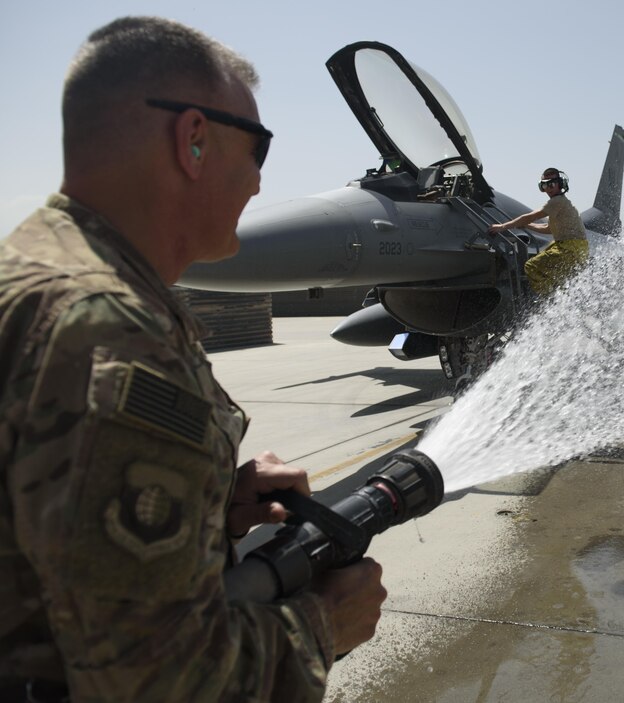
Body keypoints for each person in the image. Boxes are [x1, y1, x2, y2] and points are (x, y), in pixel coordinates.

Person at [0, 17, 386, 702]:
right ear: (195, 140)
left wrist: (212, 505)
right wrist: (324, 625)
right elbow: (158, 682)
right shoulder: (113, 332)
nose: (260, 185)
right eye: (258, 149)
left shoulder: (33, 273)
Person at [488, 167, 589, 297]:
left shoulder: (557, 202)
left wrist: (502, 226)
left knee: (531, 266)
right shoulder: (562, 204)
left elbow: (530, 216)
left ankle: (549, 300)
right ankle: (560, 299)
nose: (548, 188)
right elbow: (548, 229)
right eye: (544, 185)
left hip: (569, 248)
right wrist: (527, 226)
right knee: (557, 278)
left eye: (551, 184)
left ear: (560, 184)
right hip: (576, 249)